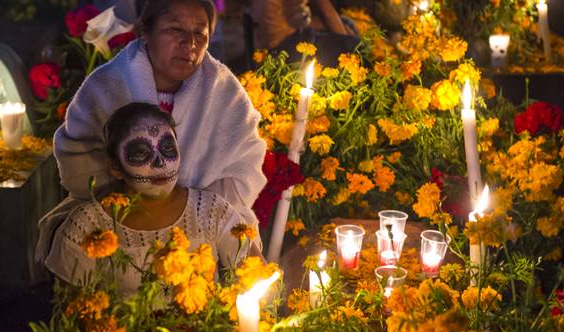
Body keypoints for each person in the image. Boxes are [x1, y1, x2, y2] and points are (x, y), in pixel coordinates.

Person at [36, 0, 267, 263]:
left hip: (202, 225)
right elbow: (78, 161)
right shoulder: (106, 86)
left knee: (248, 262)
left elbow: (243, 168)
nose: (189, 43)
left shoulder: (225, 93)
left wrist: (191, 209)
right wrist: (141, 205)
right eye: (175, 29)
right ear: (146, 32)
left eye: (200, 33)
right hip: (120, 218)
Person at [45, 102, 262, 295]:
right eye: (141, 153)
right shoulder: (86, 227)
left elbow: (259, 279)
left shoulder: (211, 211)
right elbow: (71, 318)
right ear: (114, 167)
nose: (160, 163)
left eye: (167, 148)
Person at [250, 0, 361, 66]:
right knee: (353, 44)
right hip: (280, 46)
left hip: (283, 32)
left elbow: (299, 19)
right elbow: (326, 13)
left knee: (347, 22)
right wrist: (348, 42)